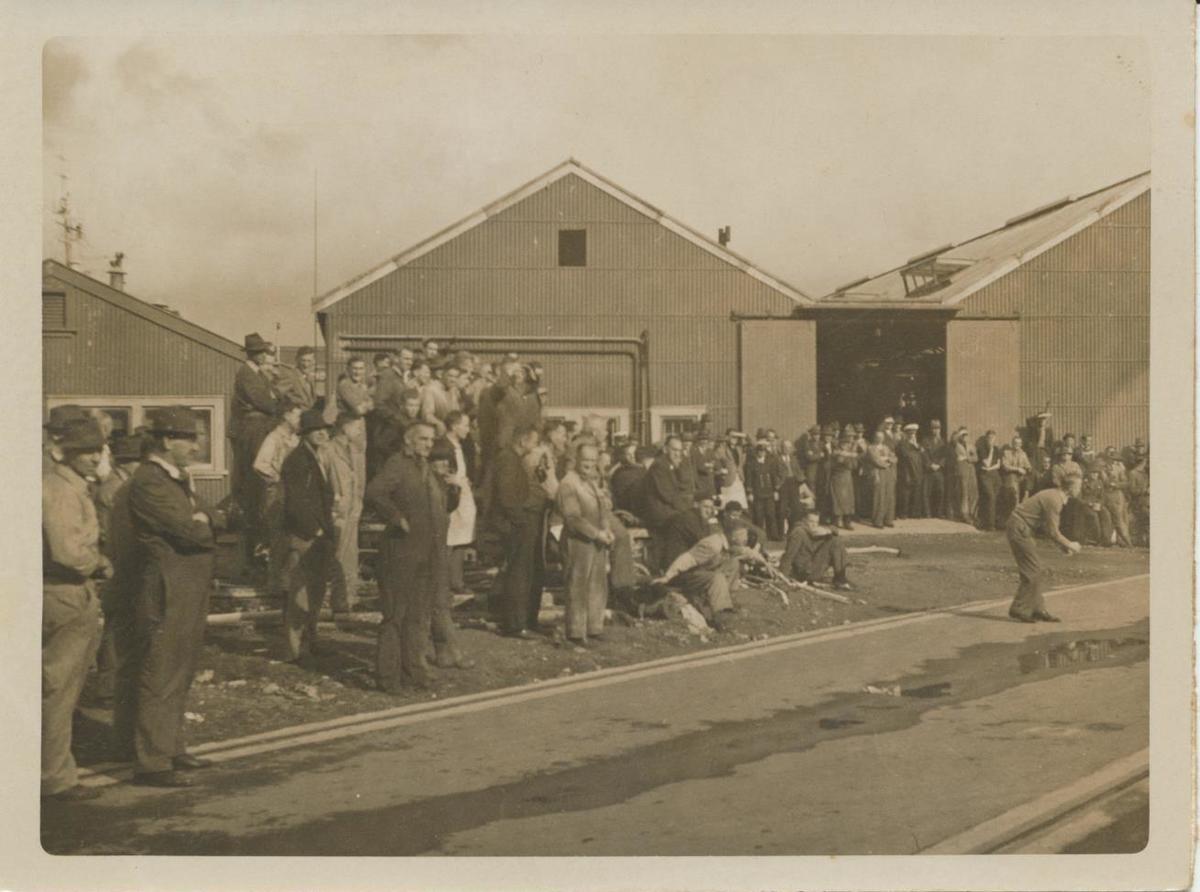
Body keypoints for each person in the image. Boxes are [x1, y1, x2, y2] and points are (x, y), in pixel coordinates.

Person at [125, 406, 222, 787]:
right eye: (189, 438)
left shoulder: (175, 479)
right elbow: (190, 531)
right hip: (168, 587)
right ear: (167, 441)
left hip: (186, 586)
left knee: (181, 668)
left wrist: (205, 518)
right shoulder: (149, 481)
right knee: (161, 670)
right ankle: (152, 762)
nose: (196, 447)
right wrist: (204, 520)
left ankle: (172, 747)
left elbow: (210, 517)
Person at [41, 418, 110, 801]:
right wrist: (97, 562)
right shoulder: (63, 491)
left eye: (97, 449)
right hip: (66, 592)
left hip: (62, 592)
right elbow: (68, 553)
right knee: (60, 689)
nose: (94, 457)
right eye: (85, 451)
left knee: (55, 685)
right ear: (65, 453)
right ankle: (54, 777)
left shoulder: (68, 486)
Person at [365, 422, 447, 690]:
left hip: (425, 552)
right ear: (408, 440)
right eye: (423, 439)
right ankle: (388, 678)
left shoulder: (425, 468)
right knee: (395, 616)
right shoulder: (397, 464)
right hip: (400, 552)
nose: (428, 444)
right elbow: (375, 492)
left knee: (417, 615)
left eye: (431, 440)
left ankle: (413, 671)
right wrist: (396, 517)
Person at [91, 432, 145, 707]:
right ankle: (107, 687)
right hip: (117, 562)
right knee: (116, 626)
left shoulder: (121, 485)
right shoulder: (114, 489)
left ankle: (116, 684)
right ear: (127, 463)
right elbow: (109, 531)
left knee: (123, 624)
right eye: (138, 461)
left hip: (122, 561)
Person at [280, 409, 335, 662]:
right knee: (299, 593)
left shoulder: (315, 456)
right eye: (316, 430)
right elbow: (295, 501)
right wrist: (314, 529)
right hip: (305, 535)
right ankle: (294, 649)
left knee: (315, 591)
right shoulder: (297, 460)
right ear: (305, 433)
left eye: (324, 430)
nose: (322, 434)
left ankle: (310, 641)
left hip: (319, 534)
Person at [489, 424, 549, 638]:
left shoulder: (513, 459)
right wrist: (521, 521)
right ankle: (515, 624)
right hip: (517, 524)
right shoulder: (508, 460)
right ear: (523, 441)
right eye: (533, 442)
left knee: (525, 572)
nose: (535, 446)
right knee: (519, 574)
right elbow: (507, 497)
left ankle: (523, 621)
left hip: (520, 522)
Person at [654, 516, 762, 632]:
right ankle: (720, 615)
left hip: (703, 573)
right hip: (687, 576)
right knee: (717, 578)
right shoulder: (713, 544)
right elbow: (687, 559)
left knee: (733, 563)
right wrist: (667, 577)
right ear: (733, 536)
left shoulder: (729, 543)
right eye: (743, 535)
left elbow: (745, 552)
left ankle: (727, 602)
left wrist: (760, 560)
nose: (746, 539)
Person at [556, 443, 615, 646]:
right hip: (578, 541)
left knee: (597, 584)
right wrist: (597, 534)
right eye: (585, 460)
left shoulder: (591, 482)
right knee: (577, 585)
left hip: (596, 540)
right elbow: (573, 518)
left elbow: (602, 509)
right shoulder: (568, 483)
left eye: (593, 460)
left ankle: (594, 628)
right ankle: (575, 632)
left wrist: (606, 528)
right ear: (577, 460)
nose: (589, 464)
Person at [230, 333, 279, 575]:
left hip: (260, 427)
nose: (264, 355)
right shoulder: (246, 375)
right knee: (255, 487)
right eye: (261, 352)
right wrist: (276, 403)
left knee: (259, 491)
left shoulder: (258, 374)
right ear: (253, 354)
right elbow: (266, 402)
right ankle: (253, 557)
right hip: (253, 430)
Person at [1006, 473, 1082, 623]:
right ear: (1070, 488)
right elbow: (1053, 531)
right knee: (1033, 570)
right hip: (1020, 528)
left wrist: (1063, 546)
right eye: (1078, 486)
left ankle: (1037, 608)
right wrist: (1070, 544)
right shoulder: (1054, 500)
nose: (1080, 489)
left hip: (1023, 528)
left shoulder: (1054, 496)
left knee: (1035, 569)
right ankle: (1019, 608)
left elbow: (1048, 529)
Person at [253, 400, 303, 596]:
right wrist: (278, 478)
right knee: (279, 540)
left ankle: (288, 584)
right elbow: (260, 465)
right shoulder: (273, 438)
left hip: (293, 495)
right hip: (277, 496)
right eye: (297, 415)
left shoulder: (295, 438)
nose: (300, 420)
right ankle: (274, 587)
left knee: (292, 540)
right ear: (287, 415)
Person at [323, 412, 367, 614]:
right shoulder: (328, 449)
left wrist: (358, 503)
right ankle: (327, 600)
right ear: (344, 427)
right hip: (335, 511)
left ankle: (346, 600)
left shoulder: (356, 450)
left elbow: (360, 481)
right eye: (356, 427)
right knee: (333, 555)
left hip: (352, 510)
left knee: (349, 557)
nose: (359, 431)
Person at [640, 435, 696, 570]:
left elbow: (682, 487)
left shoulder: (669, 465)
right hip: (658, 511)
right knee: (684, 521)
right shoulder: (660, 466)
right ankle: (672, 565)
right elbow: (669, 495)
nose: (678, 454)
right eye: (674, 450)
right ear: (665, 449)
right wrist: (688, 510)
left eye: (680, 450)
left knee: (691, 518)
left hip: (665, 508)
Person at [441, 410, 478, 595]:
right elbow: (442, 473)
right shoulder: (443, 446)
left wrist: (464, 480)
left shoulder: (459, 445)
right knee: (449, 540)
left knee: (461, 539)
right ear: (454, 426)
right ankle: (443, 583)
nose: (468, 429)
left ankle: (456, 581)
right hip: (451, 499)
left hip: (462, 495)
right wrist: (454, 481)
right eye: (465, 425)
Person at [780, 509, 852, 590]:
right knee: (836, 542)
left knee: (835, 540)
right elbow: (788, 555)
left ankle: (840, 578)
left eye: (816, 522)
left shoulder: (814, 531)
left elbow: (835, 530)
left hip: (812, 566)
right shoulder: (799, 532)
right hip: (804, 572)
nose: (814, 525)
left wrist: (827, 530)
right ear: (804, 520)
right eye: (811, 521)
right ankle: (840, 580)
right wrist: (782, 576)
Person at [744, 439, 782, 540]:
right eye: (760, 451)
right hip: (757, 494)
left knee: (771, 515)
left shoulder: (769, 462)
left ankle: (773, 535)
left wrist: (776, 491)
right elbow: (749, 479)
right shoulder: (751, 463)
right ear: (757, 452)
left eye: (764, 451)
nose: (762, 453)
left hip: (769, 493)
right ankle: (759, 536)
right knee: (758, 516)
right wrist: (750, 493)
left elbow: (774, 477)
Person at [325, 355, 374, 425]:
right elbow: (359, 410)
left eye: (361, 369)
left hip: (359, 425)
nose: (358, 372)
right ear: (348, 369)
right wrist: (367, 404)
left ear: (364, 370)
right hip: (347, 425)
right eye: (355, 368)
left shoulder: (361, 386)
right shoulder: (345, 385)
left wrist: (366, 404)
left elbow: (372, 406)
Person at [1099, 447, 1132, 547]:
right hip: (1105, 495)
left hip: (1116, 495)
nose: (1112, 460)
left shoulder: (1119, 469)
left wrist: (1116, 484)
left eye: (1114, 457)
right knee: (1107, 519)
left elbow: (1126, 483)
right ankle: (1107, 540)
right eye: (1110, 456)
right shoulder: (1102, 467)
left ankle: (1127, 542)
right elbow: (1104, 481)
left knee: (1118, 519)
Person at [865, 429, 896, 529]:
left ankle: (888, 519)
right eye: (878, 437)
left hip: (888, 473)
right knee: (879, 496)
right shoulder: (871, 448)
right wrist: (886, 461)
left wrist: (887, 459)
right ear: (874, 438)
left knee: (889, 495)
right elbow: (875, 460)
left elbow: (894, 458)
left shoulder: (886, 447)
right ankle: (877, 520)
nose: (880, 439)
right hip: (877, 473)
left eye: (882, 437)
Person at [998, 438, 1032, 526]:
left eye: (1019, 443)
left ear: (1021, 444)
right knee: (1014, 497)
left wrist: (1027, 469)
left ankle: (1021, 519)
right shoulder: (1007, 453)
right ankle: (1011, 521)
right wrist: (1017, 469)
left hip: (1021, 478)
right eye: (1015, 443)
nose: (1017, 445)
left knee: (1026, 493)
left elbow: (1028, 465)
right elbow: (1005, 466)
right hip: (1010, 478)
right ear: (1012, 443)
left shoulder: (1023, 454)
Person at [895, 423, 926, 519]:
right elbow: (906, 455)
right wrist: (915, 449)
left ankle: (915, 513)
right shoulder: (902, 444)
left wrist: (916, 446)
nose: (913, 436)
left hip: (917, 471)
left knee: (916, 492)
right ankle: (903, 513)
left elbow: (923, 456)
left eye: (914, 434)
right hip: (907, 472)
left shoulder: (918, 445)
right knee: (905, 493)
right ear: (907, 434)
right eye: (911, 434)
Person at [828, 432, 858, 530]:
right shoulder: (836, 452)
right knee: (838, 499)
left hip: (848, 478)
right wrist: (848, 456)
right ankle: (836, 520)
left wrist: (850, 456)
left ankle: (847, 521)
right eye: (845, 443)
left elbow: (854, 465)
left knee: (849, 500)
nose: (847, 445)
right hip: (838, 478)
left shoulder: (848, 453)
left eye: (849, 443)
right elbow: (840, 461)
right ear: (841, 443)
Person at [274, 346, 318, 411]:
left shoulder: (309, 378)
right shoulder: (290, 375)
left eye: (309, 361)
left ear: (313, 361)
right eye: (303, 360)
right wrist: (290, 409)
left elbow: (311, 401)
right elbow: (276, 394)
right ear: (297, 360)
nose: (306, 365)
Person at [975, 430, 1002, 531]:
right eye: (989, 438)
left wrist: (989, 468)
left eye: (993, 438)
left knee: (996, 498)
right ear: (986, 439)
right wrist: (990, 450)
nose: (991, 440)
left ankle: (994, 522)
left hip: (995, 475)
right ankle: (990, 525)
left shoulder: (997, 449)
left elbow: (998, 465)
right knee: (990, 497)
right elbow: (987, 462)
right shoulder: (981, 449)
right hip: (985, 476)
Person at [921, 420, 947, 518]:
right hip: (929, 470)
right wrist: (930, 465)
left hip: (939, 470)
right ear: (931, 429)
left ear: (940, 429)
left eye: (937, 428)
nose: (935, 431)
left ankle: (938, 512)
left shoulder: (943, 442)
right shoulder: (926, 441)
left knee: (940, 491)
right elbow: (924, 455)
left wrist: (939, 465)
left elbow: (945, 455)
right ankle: (927, 513)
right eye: (933, 428)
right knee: (927, 492)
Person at [952, 427, 978, 523]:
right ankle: (965, 514)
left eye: (966, 435)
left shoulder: (971, 446)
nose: (965, 437)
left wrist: (967, 458)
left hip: (971, 470)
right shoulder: (957, 445)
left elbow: (976, 458)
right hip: (962, 470)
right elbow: (957, 457)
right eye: (963, 435)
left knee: (973, 491)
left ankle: (972, 512)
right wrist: (968, 457)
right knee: (964, 492)